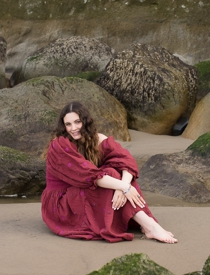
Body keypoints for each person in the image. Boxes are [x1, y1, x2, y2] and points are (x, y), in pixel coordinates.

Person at [41, 102, 177, 244]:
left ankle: (149, 225)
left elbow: (126, 161)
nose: (73, 128)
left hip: (81, 192)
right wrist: (125, 188)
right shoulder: (59, 145)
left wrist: (123, 186)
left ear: (85, 122)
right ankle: (150, 226)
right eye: (68, 124)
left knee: (114, 171)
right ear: (63, 127)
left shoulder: (96, 139)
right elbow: (88, 176)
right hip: (62, 204)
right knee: (110, 176)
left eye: (77, 122)